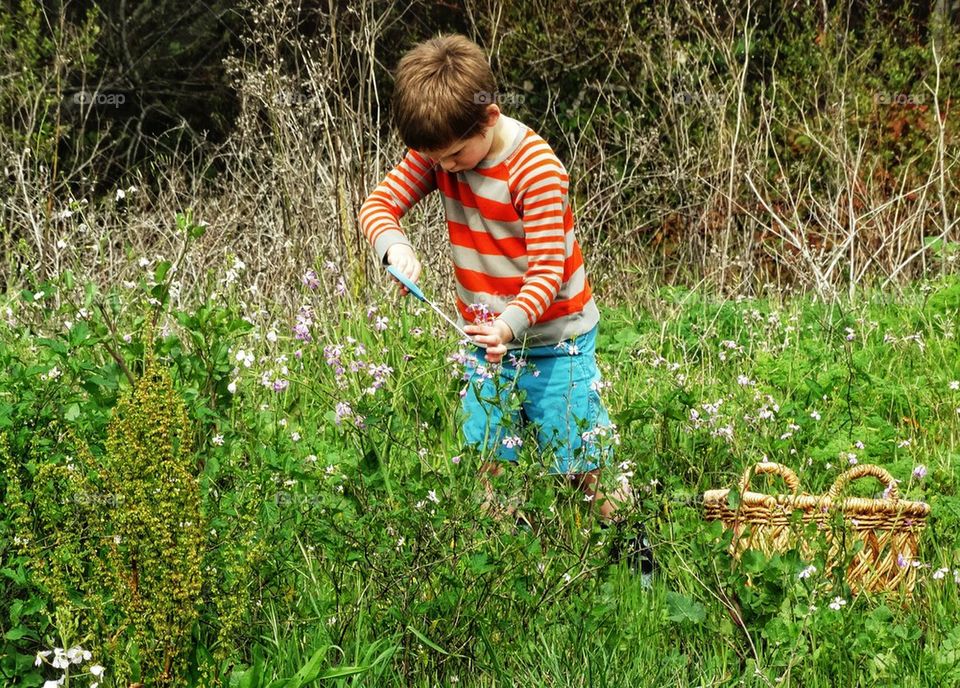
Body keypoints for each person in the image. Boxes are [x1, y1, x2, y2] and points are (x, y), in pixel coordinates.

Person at [358, 34, 652, 574]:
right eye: (434, 159)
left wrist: (510, 326)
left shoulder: (534, 169)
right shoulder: (441, 148)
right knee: (489, 455)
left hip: (553, 338)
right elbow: (378, 206)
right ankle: (500, 573)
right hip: (487, 341)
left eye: (453, 157)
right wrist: (394, 247)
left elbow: (548, 270)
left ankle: (638, 556)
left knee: (581, 462)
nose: (444, 169)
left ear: (489, 117)